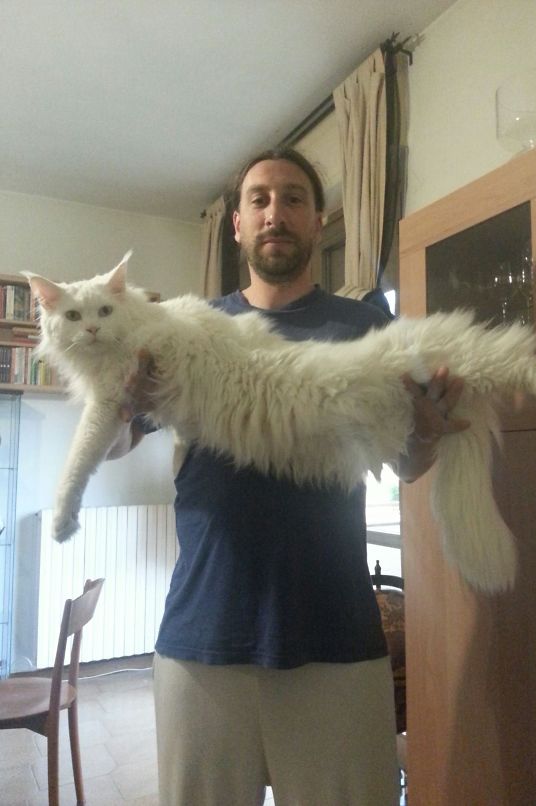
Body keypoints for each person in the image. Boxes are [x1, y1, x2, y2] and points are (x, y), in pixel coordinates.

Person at [109, 147, 468, 806]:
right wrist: (120, 405)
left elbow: (407, 464)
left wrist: (425, 429)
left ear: (317, 219)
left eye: (293, 198)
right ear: (238, 226)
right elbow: (117, 443)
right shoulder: (189, 325)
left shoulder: (364, 325)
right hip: (201, 639)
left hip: (334, 634)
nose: (276, 212)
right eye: (260, 200)